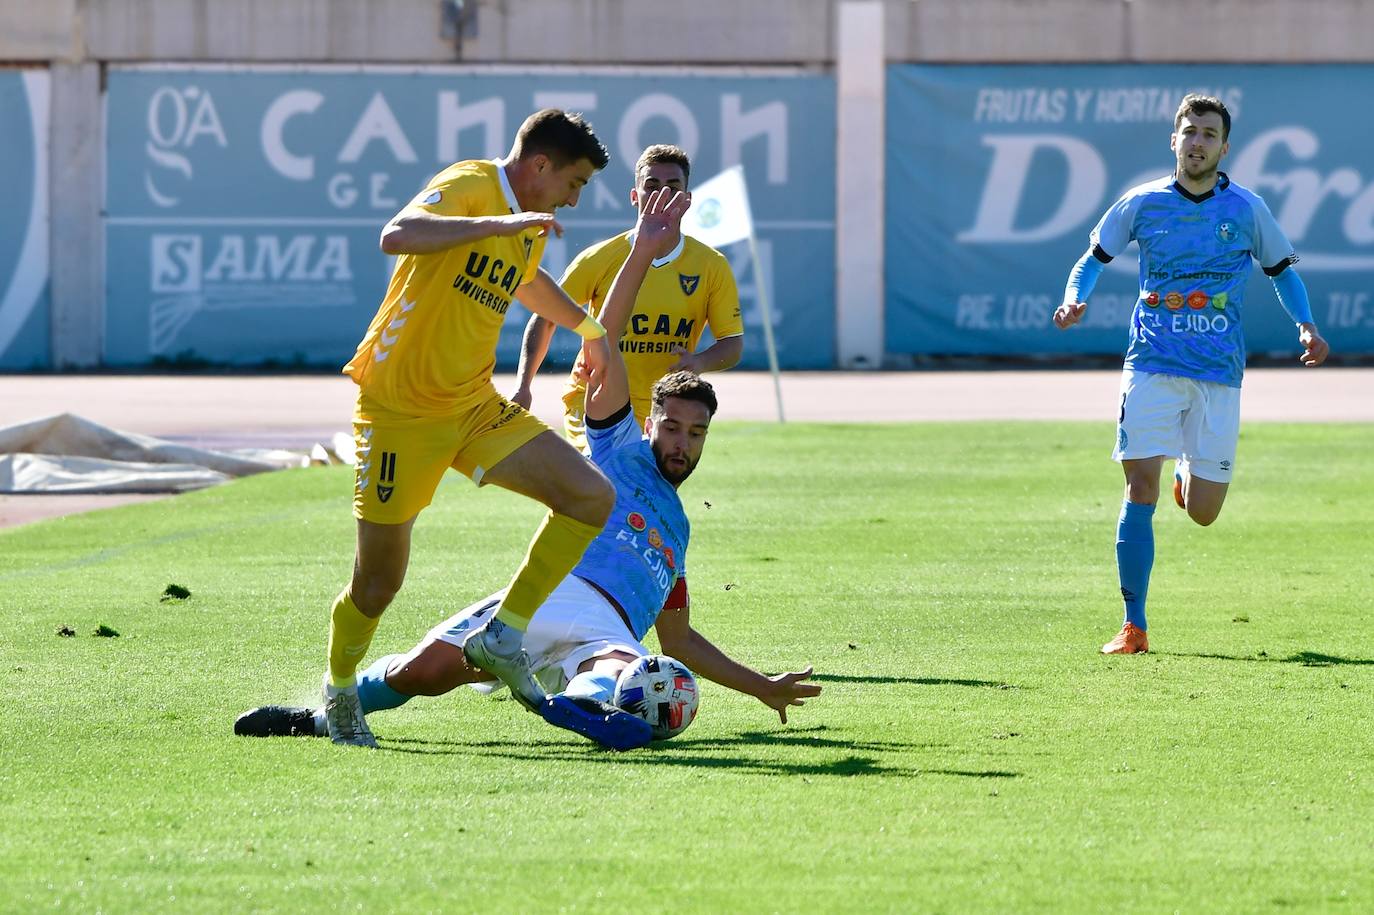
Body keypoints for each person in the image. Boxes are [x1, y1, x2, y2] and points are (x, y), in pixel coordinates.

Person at [239, 188, 819, 750]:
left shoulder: (679, 532)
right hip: (553, 596)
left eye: (695, 434)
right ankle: (319, 719)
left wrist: (763, 688)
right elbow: (605, 342)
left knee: (631, 666)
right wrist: (642, 253)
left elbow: (681, 639)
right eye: (671, 427)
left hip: (610, 631)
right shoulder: (619, 449)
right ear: (650, 425)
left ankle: (593, 707)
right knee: (423, 672)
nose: (681, 443)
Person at [322, 109, 622, 747]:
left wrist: (589, 331)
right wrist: (498, 222)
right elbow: (397, 233)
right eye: (575, 182)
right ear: (539, 166)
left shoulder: (529, 228)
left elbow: (528, 281)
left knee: (590, 497)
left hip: (471, 406)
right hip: (399, 411)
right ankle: (341, 688)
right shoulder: (472, 183)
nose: (574, 196)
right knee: (376, 587)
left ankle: (503, 634)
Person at [1054, 94, 1330, 655]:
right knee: (1139, 489)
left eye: (1209, 133)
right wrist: (1073, 299)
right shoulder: (1142, 203)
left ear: (1224, 147)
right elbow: (1091, 261)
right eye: (1189, 131)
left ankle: (1190, 474)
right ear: (1174, 139)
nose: (1198, 141)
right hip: (1151, 363)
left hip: (1218, 374)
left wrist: (1306, 324)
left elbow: (1282, 273)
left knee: (1204, 514)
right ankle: (1134, 625)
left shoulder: (1247, 209)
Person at [511, 144, 743, 452]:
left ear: (687, 201)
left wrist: (698, 362)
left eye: (673, 187)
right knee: (605, 483)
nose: (662, 194)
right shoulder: (600, 258)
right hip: (594, 398)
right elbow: (545, 317)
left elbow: (732, 343)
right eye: (651, 186)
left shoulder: (710, 265)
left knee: (640, 496)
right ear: (635, 197)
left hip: (662, 409)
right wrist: (524, 386)